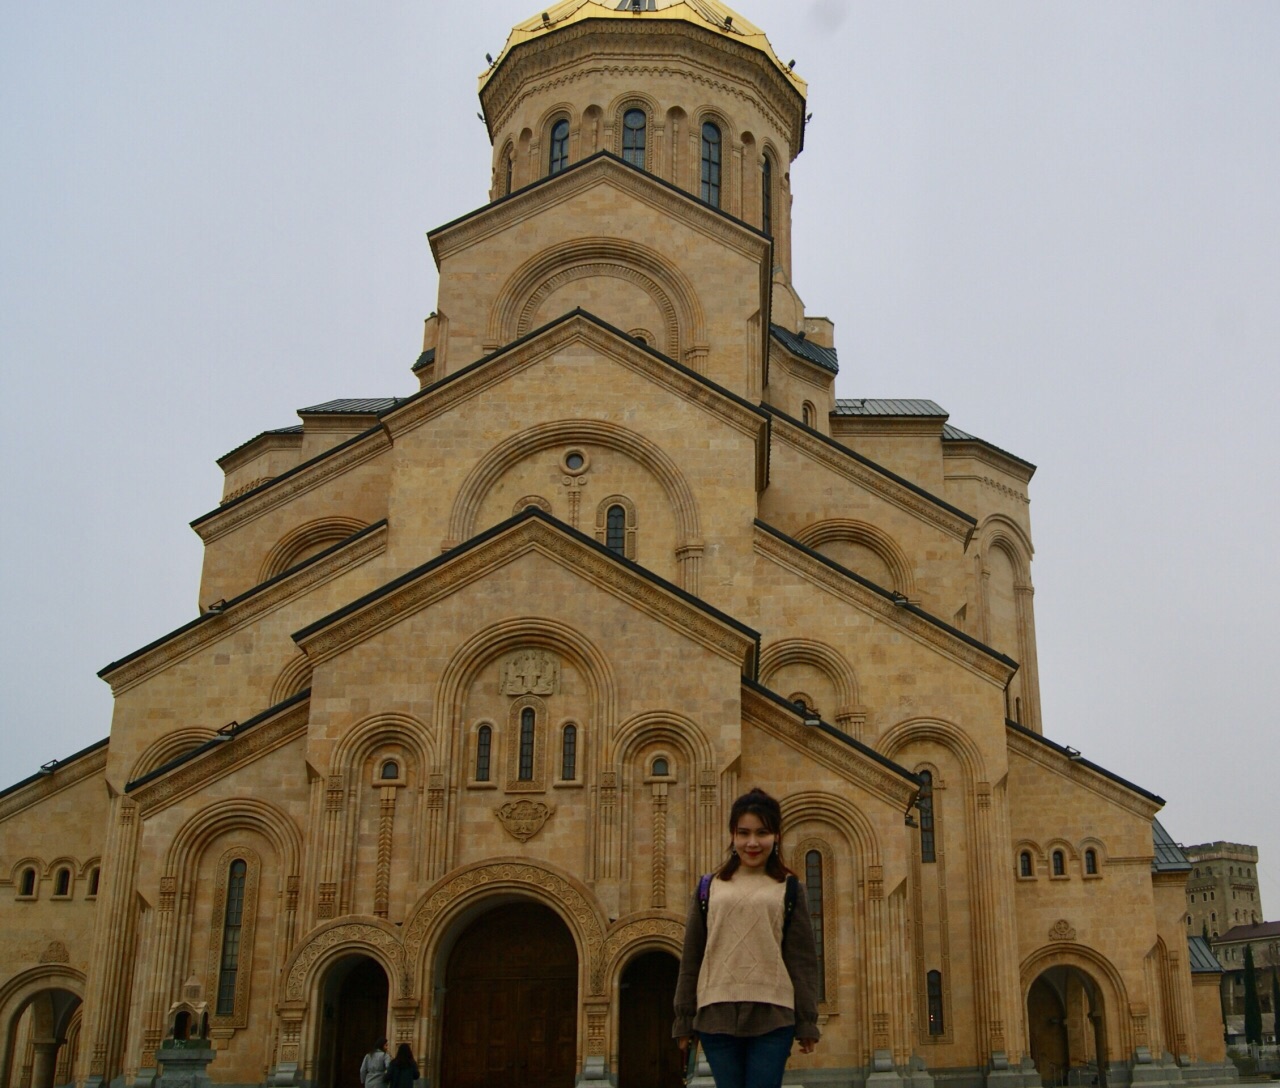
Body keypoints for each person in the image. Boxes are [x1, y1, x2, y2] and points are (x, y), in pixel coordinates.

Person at [673, 788, 820, 1088]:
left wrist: (807, 1021)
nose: (752, 842)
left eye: (762, 833)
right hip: (716, 1013)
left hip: (773, 1015)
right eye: (744, 833)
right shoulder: (708, 887)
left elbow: (802, 961)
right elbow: (692, 957)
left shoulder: (790, 889)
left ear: (776, 836)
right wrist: (684, 1019)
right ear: (733, 835)